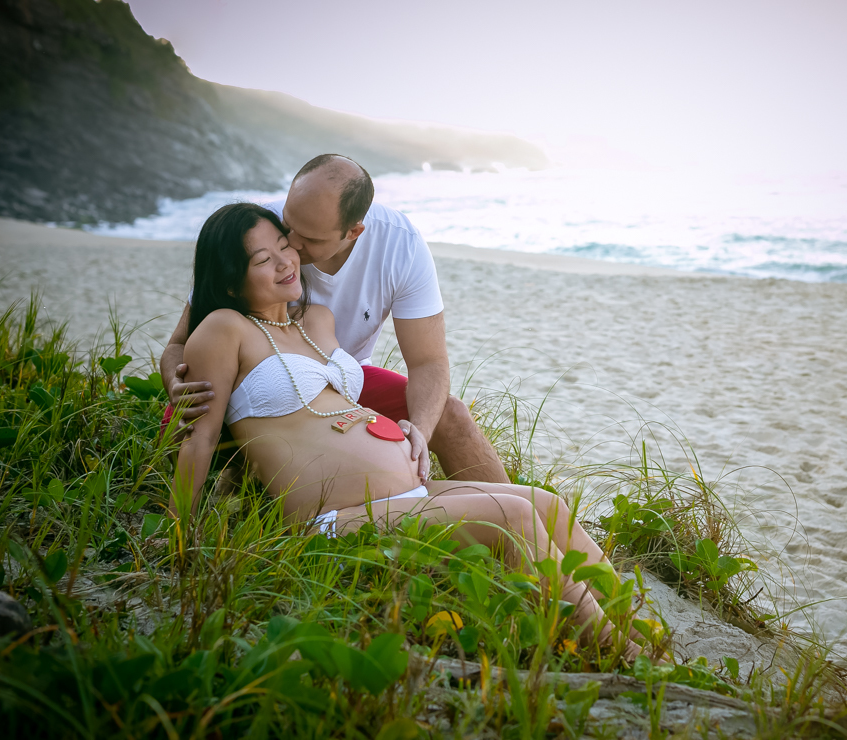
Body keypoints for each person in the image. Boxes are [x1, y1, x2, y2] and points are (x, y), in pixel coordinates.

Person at [174, 202, 641, 657]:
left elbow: (406, 373)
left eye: (284, 247)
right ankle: (617, 650)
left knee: (547, 506)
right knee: (512, 517)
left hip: (404, 494)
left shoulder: (317, 320)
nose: (285, 262)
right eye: (263, 259)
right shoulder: (225, 328)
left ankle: (639, 624)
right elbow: (202, 437)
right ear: (231, 282)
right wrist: (180, 531)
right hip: (333, 522)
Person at [160, 154, 507, 484]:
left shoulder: (401, 246)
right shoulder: (255, 231)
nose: (290, 246)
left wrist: (419, 431)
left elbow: (428, 362)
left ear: (353, 232)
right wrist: (176, 385)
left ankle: (515, 523)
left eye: (307, 238)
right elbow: (179, 343)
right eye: (287, 225)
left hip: (340, 386)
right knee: (182, 440)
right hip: (250, 387)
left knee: (450, 414)